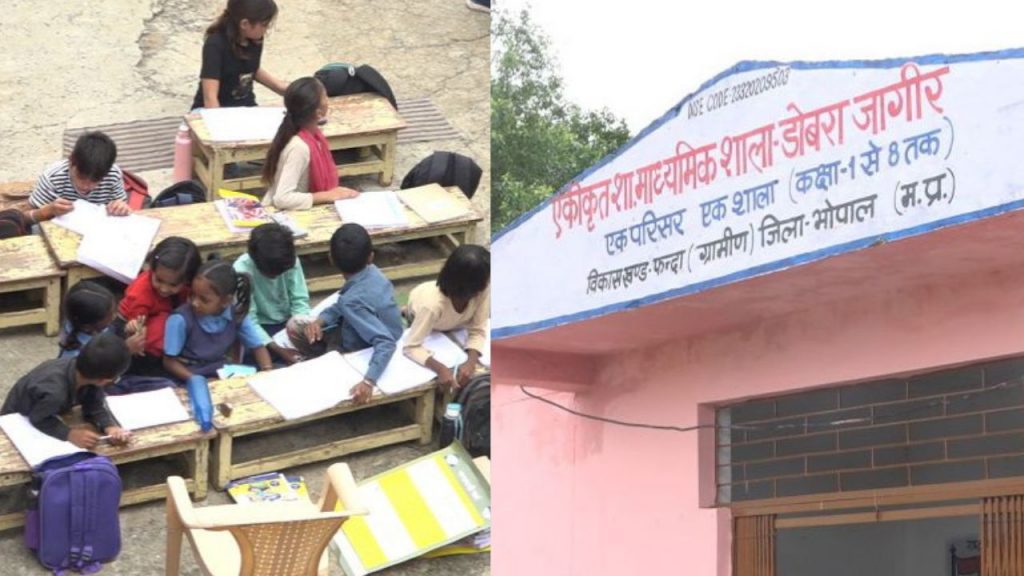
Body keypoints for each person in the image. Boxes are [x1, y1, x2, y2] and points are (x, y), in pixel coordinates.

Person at [296, 224, 402, 404]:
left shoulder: (351, 301)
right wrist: (321, 321)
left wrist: (368, 381)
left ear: (331, 259)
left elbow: (385, 342)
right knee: (307, 325)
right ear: (371, 257)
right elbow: (343, 304)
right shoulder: (374, 273)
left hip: (361, 347)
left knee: (297, 330)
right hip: (386, 329)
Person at [1, 333, 132, 449]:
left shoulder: (85, 370)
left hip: (48, 411)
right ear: (103, 380)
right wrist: (69, 434)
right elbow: (38, 419)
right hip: (16, 424)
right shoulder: (56, 392)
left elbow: (94, 403)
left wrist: (109, 426)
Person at [163, 260, 274, 381]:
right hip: (187, 374)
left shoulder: (236, 315)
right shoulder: (180, 320)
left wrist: (267, 371)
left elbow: (258, 347)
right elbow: (169, 361)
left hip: (220, 370)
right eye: (192, 295)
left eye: (204, 300)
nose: (195, 303)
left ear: (226, 301)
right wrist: (197, 380)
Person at [261, 77, 359, 210]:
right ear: (318, 113)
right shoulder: (299, 147)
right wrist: (327, 195)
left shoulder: (314, 137)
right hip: (282, 213)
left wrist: (335, 193)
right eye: (325, 97)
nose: (328, 101)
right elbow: (282, 198)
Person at [403, 245, 490, 392]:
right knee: (424, 319)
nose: (488, 283)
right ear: (472, 286)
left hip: (456, 323)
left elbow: (478, 329)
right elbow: (410, 347)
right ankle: (407, 311)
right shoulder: (432, 305)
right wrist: (440, 369)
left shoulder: (483, 289)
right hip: (427, 314)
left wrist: (471, 362)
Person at [115, 237, 202, 376]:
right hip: (132, 323)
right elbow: (138, 327)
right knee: (160, 327)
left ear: (187, 280)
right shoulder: (141, 293)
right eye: (159, 280)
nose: (164, 289)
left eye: (173, 285)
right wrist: (135, 332)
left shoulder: (188, 287)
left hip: (167, 315)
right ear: (151, 269)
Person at [233, 223, 309, 364]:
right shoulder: (241, 271)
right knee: (253, 358)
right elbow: (249, 320)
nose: (276, 277)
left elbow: (300, 300)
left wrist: (300, 326)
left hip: (288, 322)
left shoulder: (289, 261)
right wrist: (278, 349)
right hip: (261, 325)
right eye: (272, 274)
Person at [192, 0, 287, 109]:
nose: (266, 29)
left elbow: (251, 68)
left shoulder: (255, 40)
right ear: (244, 24)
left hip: (245, 107)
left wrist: (281, 87)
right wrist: (218, 118)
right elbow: (210, 98)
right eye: (264, 25)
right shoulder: (215, 45)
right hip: (213, 109)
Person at [26, 132, 130, 225]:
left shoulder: (113, 174)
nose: (86, 186)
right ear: (71, 161)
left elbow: (122, 205)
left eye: (95, 180)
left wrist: (120, 207)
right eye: (81, 177)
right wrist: (47, 211)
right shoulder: (52, 178)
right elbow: (25, 218)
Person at [59, 281, 144, 360]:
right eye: (111, 313)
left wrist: (127, 332)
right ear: (88, 326)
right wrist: (125, 351)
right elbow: (101, 368)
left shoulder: (80, 321)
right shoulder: (74, 357)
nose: (115, 315)